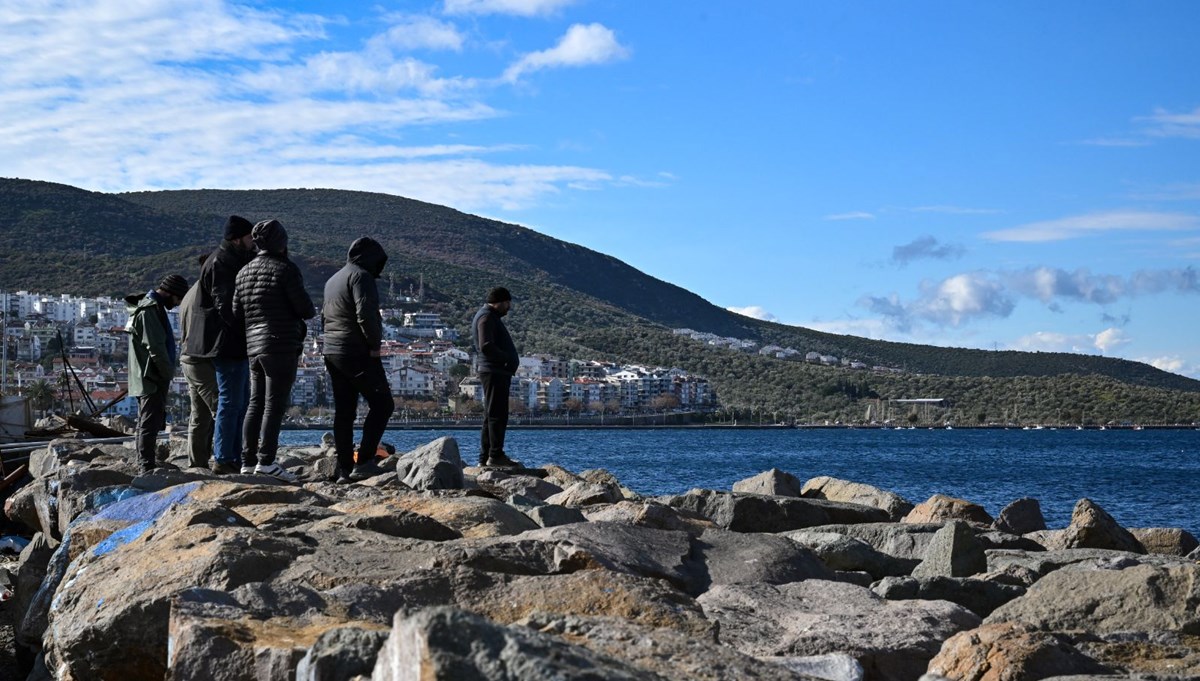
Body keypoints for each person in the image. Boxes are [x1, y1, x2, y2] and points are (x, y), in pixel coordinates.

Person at [233, 219, 314, 482]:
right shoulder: (285, 269)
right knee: (274, 405)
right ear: (282, 242)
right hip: (279, 344)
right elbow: (306, 309)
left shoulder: (243, 272)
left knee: (255, 404)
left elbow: (236, 312)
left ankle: (247, 461)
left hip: (252, 346)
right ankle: (266, 462)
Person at [321, 237, 394, 483]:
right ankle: (363, 462)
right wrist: (374, 345)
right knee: (383, 404)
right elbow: (365, 313)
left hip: (332, 350)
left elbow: (324, 318)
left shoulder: (333, 280)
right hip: (356, 350)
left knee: (344, 411)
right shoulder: (361, 277)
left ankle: (344, 468)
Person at [193, 215, 257, 474]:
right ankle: (223, 457)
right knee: (231, 401)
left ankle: (233, 455)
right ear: (237, 238)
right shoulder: (221, 262)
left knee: (240, 400)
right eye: (250, 237)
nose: (253, 241)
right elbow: (226, 305)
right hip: (226, 343)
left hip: (232, 342)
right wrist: (248, 326)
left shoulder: (229, 259)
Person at [125, 274, 189, 474]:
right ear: (170, 293)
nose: (177, 304)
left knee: (147, 421)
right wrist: (167, 373)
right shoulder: (150, 310)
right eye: (178, 299)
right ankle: (146, 466)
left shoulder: (151, 307)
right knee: (148, 423)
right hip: (151, 376)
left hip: (147, 374)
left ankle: (145, 462)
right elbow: (156, 347)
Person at [471, 286, 520, 467]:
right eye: (507, 303)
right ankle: (495, 455)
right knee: (497, 415)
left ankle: (485, 457)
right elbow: (486, 345)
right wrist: (506, 359)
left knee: (491, 415)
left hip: (495, 371)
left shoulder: (488, 316)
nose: (509, 307)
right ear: (500, 302)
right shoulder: (486, 317)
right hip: (494, 372)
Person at [178, 263, 218, 471]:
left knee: (199, 414)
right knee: (220, 407)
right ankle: (224, 457)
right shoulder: (204, 292)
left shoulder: (189, 294)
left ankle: (197, 462)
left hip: (188, 358)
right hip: (200, 358)